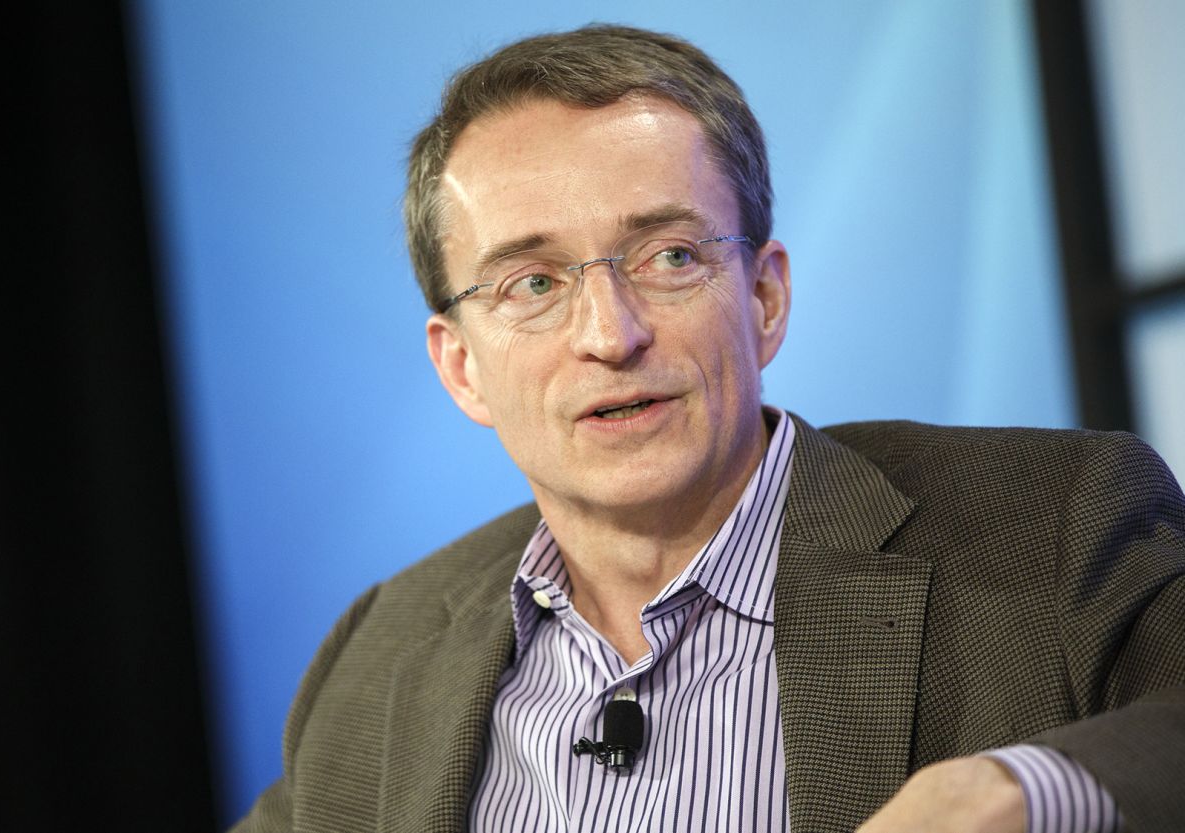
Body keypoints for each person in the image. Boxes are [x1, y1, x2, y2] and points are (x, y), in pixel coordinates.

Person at [233, 24, 1185, 833]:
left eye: (670, 255)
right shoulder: (380, 652)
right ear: (462, 366)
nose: (612, 333)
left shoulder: (1054, 524)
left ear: (765, 296)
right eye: (533, 282)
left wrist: (1021, 789)